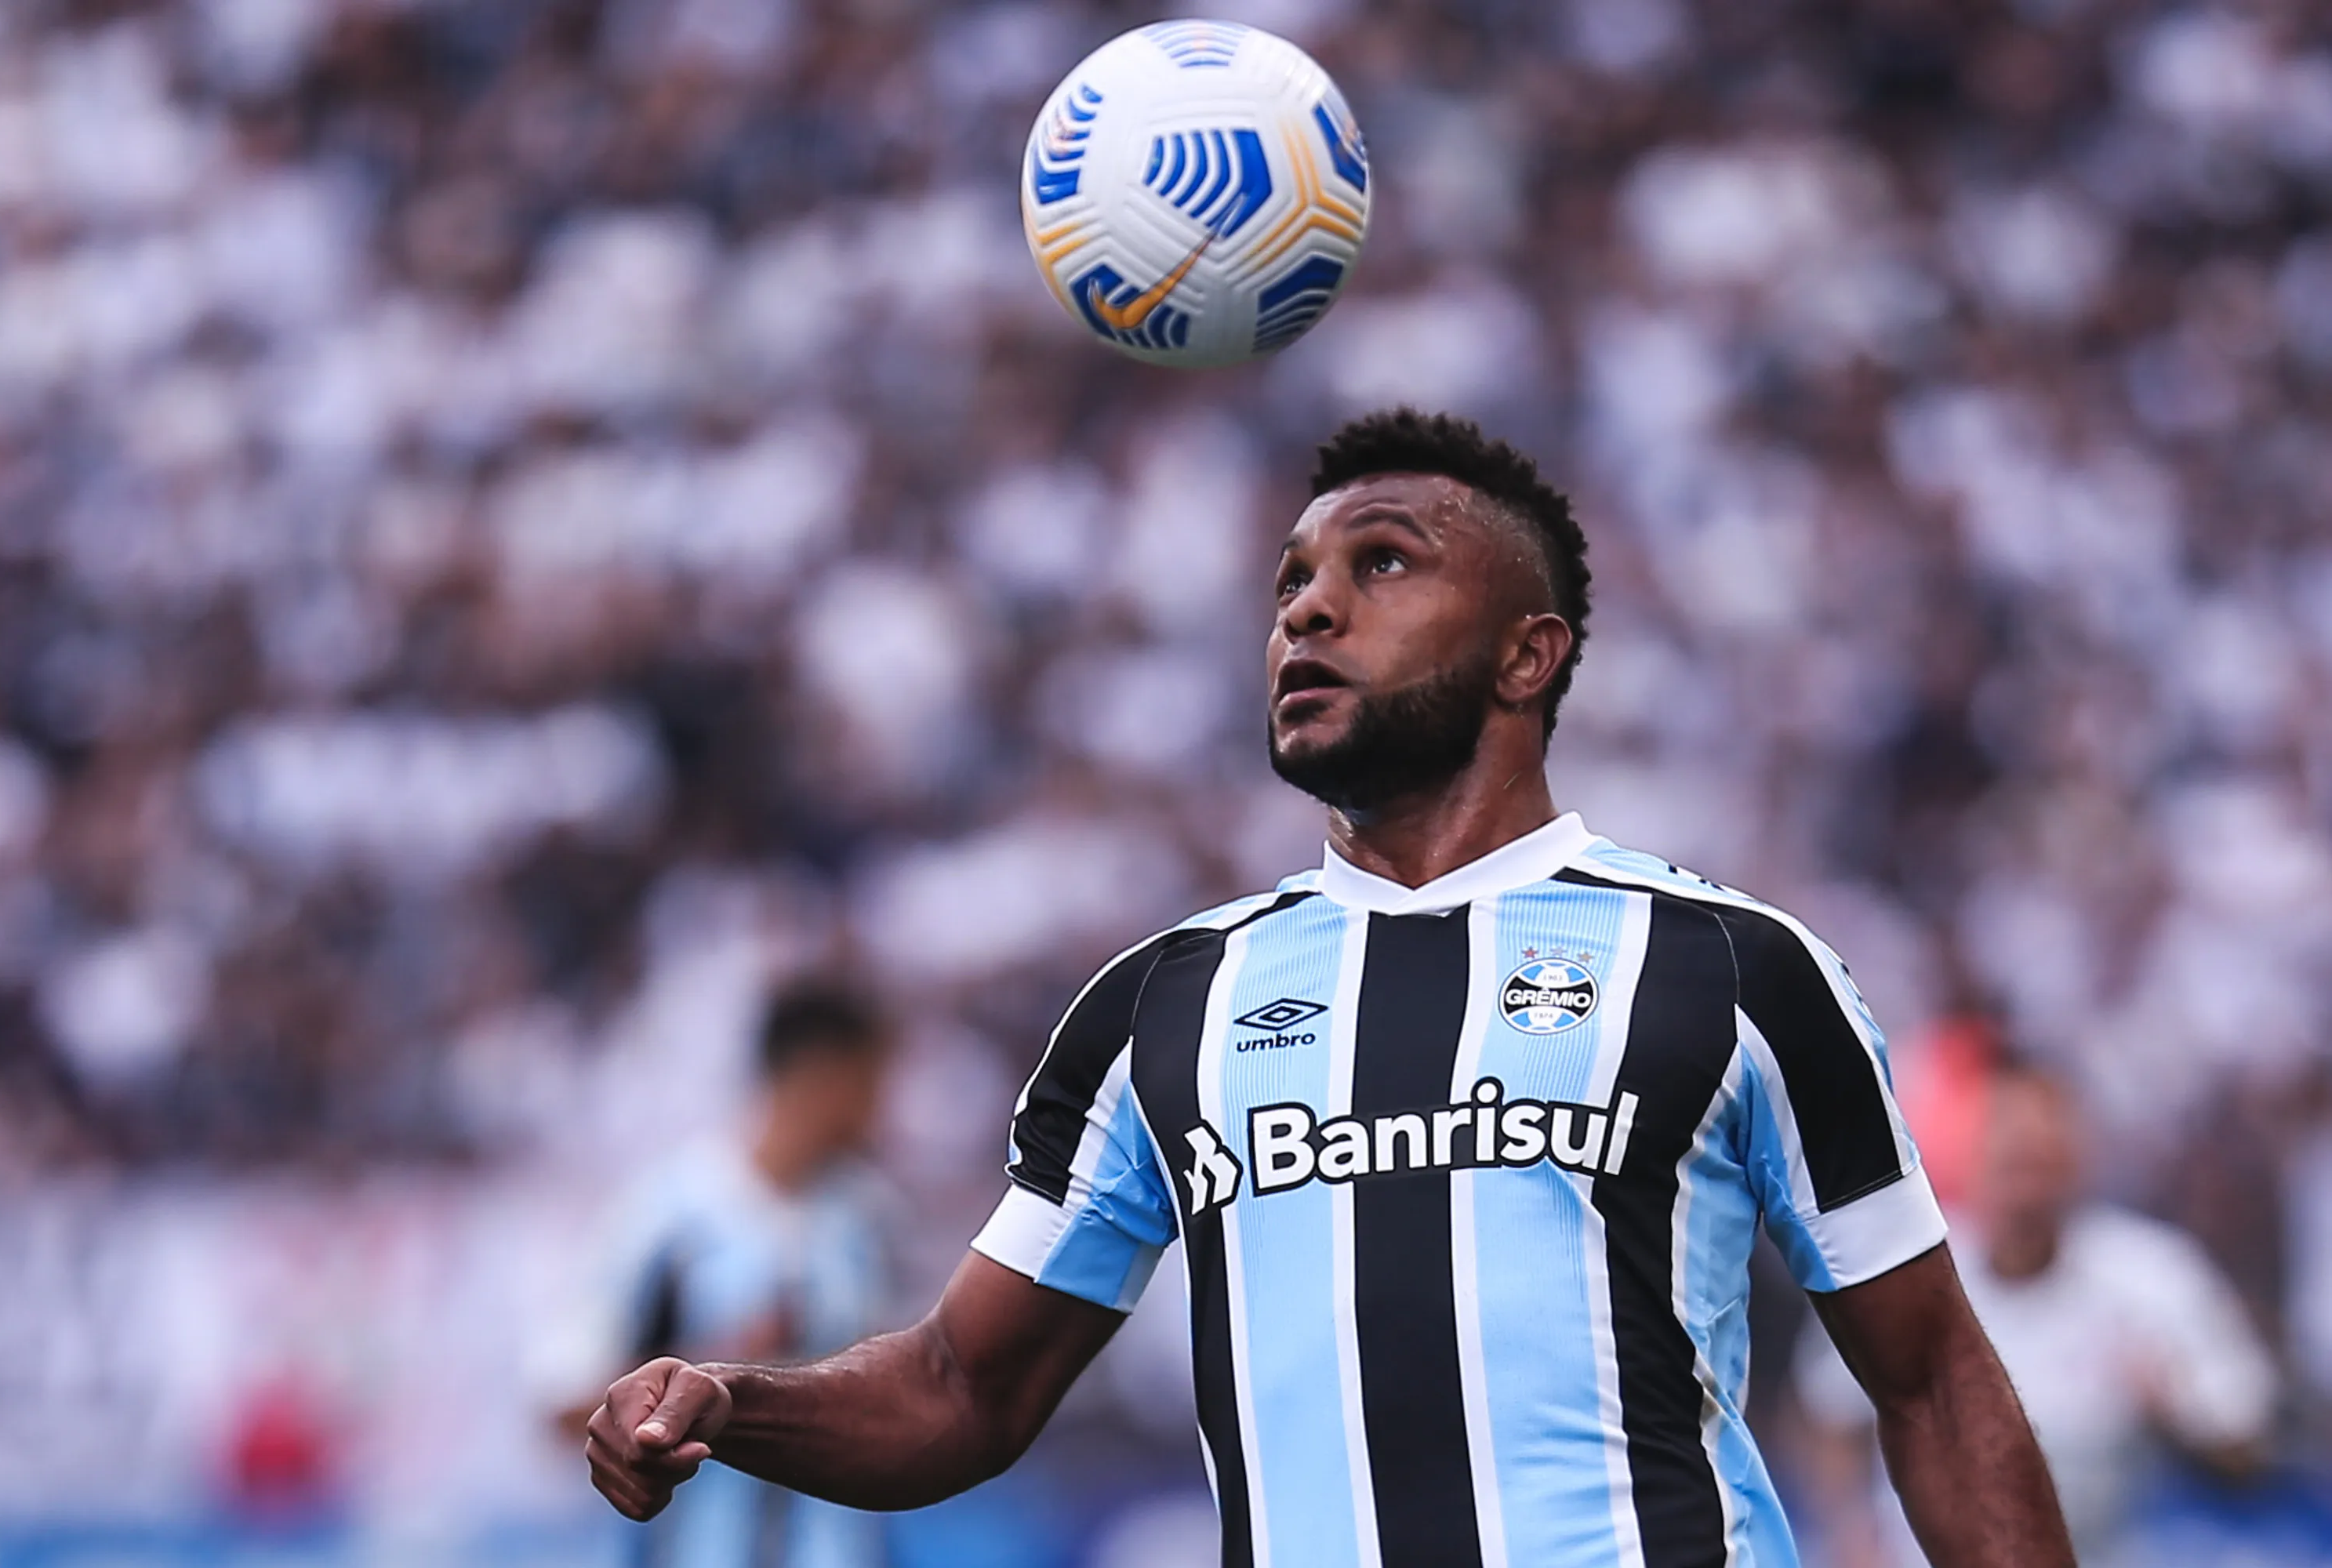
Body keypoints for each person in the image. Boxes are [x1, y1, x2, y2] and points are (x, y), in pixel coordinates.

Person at [585, 409, 2074, 1567]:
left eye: (1382, 564)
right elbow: (963, 1391)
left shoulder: (1736, 970)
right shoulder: (1167, 1003)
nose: (1307, 609)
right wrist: (732, 1402)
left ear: (1526, 655)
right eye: (1293, 577)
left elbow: (1934, 1378)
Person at [1796, 1058, 2276, 1566]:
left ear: (2079, 1160)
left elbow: (2246, 1448)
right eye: (2012, 1162)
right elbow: (1828, 1413)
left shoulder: (2153, 1277)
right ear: (1971, 1158)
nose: (2026, 1188)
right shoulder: (1899, 1271)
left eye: (2041, 1163)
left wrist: (2173, 1406)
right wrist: (1846, 1526)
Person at [565, 977, 896, 1568]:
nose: (882, 1108)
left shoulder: (869, 1219)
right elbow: (565, 1404)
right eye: (873, 1083)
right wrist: (716, 1370)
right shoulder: (669, 1217)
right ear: (823, 1076)